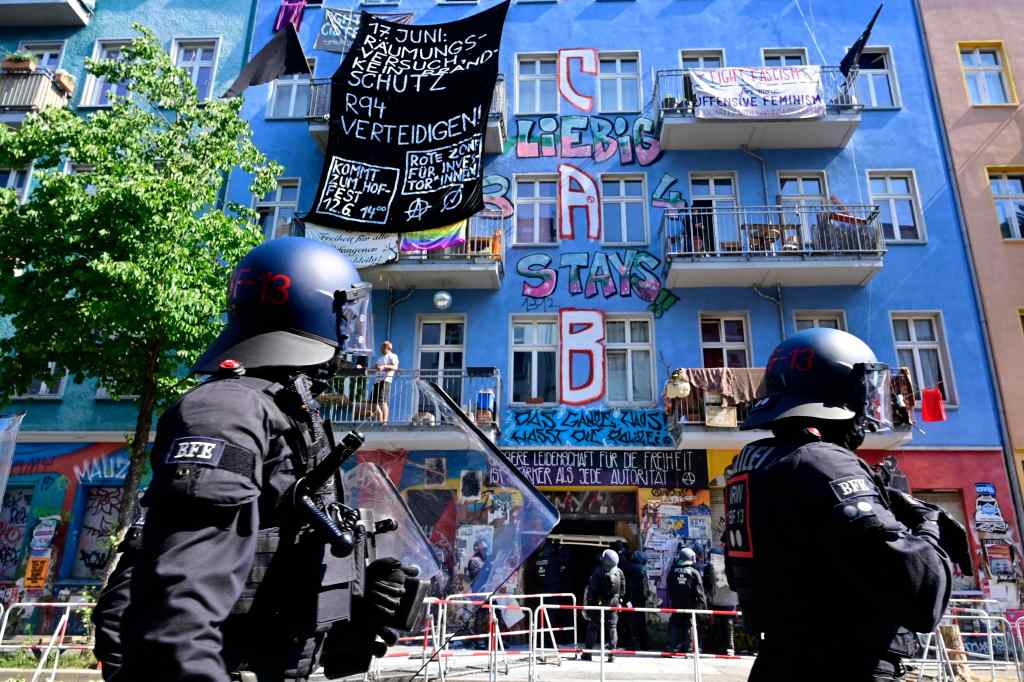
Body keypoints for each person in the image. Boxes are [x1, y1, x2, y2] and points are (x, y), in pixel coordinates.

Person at [92, 238, 414, 682]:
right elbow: (178, 615)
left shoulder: (290, 411)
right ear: (318, 311)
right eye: (349, 317)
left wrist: (356, 599)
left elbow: (275, 546)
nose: (353, 335)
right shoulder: (228, 409)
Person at [724, 328, 955, 682]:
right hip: (844, 663)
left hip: (783, 657)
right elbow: (922, 596)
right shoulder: (823, 463)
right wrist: (928, 525)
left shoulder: (755, 463)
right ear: (841, 394)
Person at [582, 548, 625, 662]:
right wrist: (619, 601)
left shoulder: (598, 572)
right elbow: (623, 590)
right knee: (612, 628)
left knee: (593, 628)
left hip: (598, 604)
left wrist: (589, 606)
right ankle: (612, 655)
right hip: (613, 604)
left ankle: (587, 653)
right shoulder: (619, 572)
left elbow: (592, 590)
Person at [667, 547, 706, 654]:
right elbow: (700, 592)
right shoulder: (694, 572)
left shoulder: (672, 571)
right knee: (689, 625)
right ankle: (688, 648)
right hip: (690, 605)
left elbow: (669, 588)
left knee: (675, 624)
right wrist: (703, 608)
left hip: (676, 604)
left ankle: (673, 647)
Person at [466, 538, 493, 650]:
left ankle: (488, 639)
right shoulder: (475, 560)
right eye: (483, 548)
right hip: (478, 592)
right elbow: (477, 577)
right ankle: (478, 640)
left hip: (487, 591)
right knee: (479, 616)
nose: (485, 550)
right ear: (478, 548)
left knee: (489, 615)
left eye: (486, 548)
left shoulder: (486, 559)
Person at [621, 550, 649, 651]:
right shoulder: (643, 569)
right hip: (641, 599)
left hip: (632, 600)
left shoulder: (631, 567)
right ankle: (644, 644)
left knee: (632, 622)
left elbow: (623, 565)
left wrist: (621, 553)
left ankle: (633, 644)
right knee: (641, 622)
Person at [370, 340, 399, 423]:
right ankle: (380, 419)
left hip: (386, 380)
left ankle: (384, 422)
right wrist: (362, 368)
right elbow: (373, 369)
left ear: (388, 348)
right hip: (377, 381)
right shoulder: (380, 359)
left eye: (383, 347)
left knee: (383, 401)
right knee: (373, 402)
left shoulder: (392, 356)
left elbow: (395, 367)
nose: (381, 348)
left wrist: (383, 366)